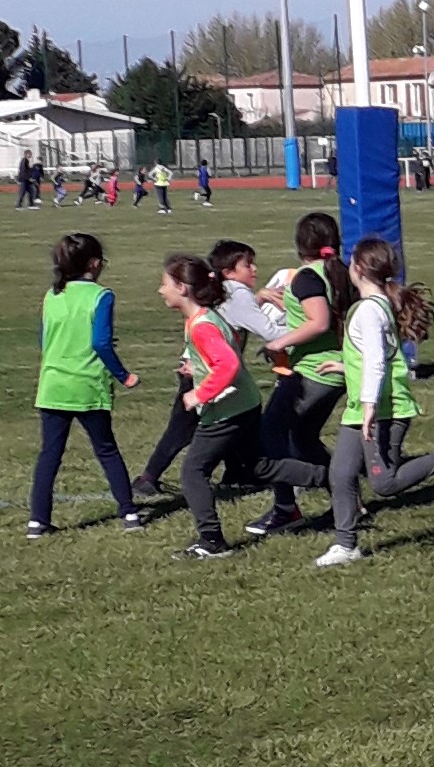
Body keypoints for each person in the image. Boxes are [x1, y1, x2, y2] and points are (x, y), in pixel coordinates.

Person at [313, 238, 434, 567]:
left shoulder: (368, 309)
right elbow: (372, 354)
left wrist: (369, 407)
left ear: (360, 270)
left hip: (382, 409)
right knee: (341, 473)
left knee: (384, 483)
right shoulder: (376, 304)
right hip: (364, 406)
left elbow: (378, 361)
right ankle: (346, 545)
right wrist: (345, 365)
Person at [154, 253, 335, 560]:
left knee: (193, 472)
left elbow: (228, 365)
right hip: (245, 404)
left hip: (227, 411)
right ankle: (334, 479)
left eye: (165, 284)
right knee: (261, 466)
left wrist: (198, 394)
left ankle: (211, 542)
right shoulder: (204, 318)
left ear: (183, 288)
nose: (161, 290)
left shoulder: (202, 325)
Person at [132, 239, 291, 498]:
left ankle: (237, 473)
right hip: (204, 373)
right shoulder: (237, 293)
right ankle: (148, 478)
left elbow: (232, 317)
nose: (254, 269)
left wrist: (258, 298)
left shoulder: (224, 288)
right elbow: (268, 330)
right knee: (183, 429)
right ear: (228, 272)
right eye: (247, 265)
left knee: (230, 422)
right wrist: (310, 328)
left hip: (202, 369)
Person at [27, 233, 144, 539]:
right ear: (94, 264)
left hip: (52, 385)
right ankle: (129, 512)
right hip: (87, 385)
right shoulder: (101, 295)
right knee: (106, 450)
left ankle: (38, 521)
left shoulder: (52, 295)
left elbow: (44, 339)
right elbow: (101, 343)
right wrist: (124, 375)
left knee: (49, 455)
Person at [245, 213, 354, 536]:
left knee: (269, 440)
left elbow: (318, 321)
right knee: (303, 438)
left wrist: (279, 341)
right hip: (336, 368)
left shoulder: (307, 277)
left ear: (300, 243)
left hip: (314, 371)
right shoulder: (340, 272)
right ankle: (346, 499)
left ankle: (285, 509)